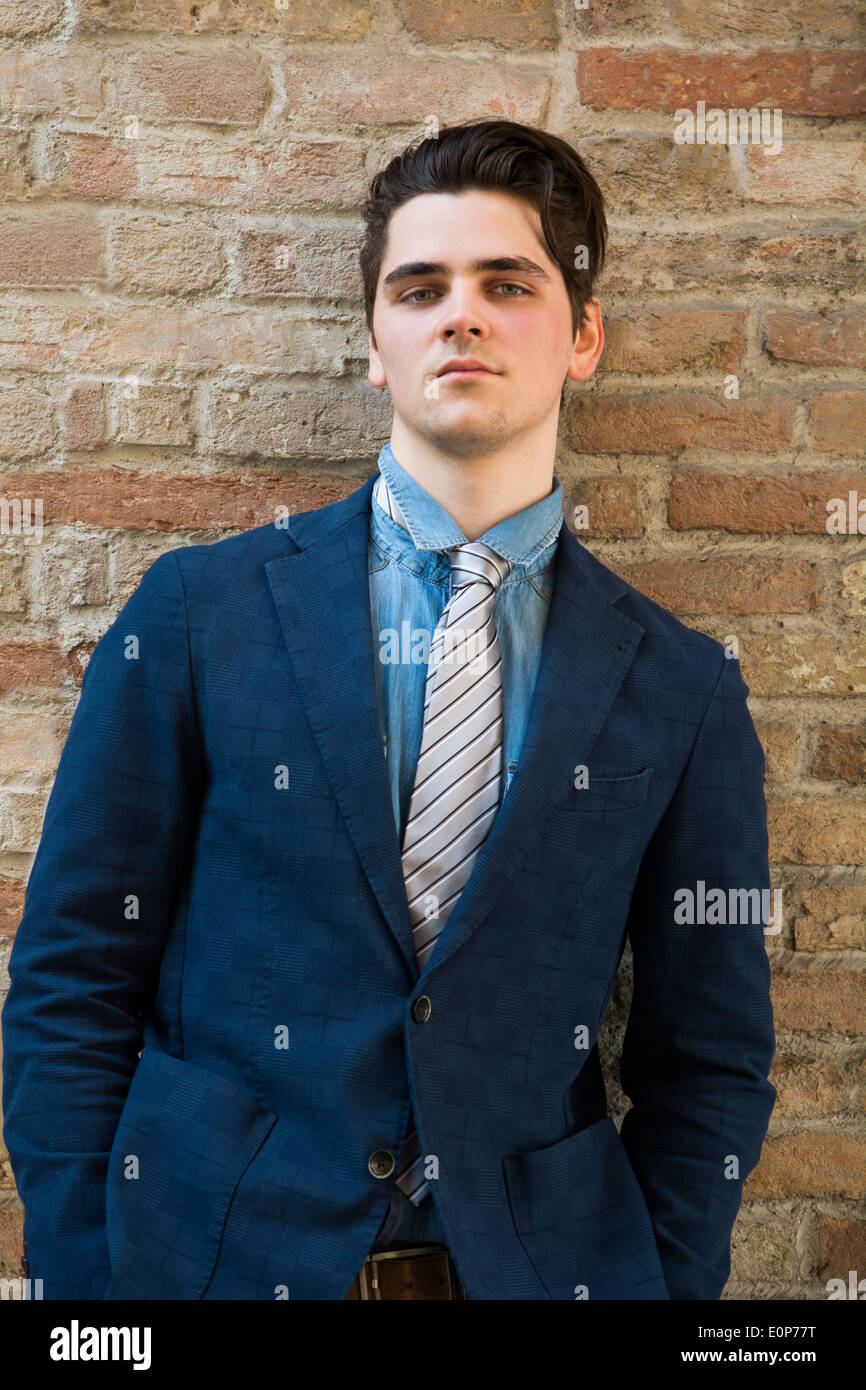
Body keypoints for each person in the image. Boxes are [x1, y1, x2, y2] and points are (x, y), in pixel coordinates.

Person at [1, 119, 776, 1301]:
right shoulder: (202, 612)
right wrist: (87, 1292)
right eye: (419, 288)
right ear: (375, 343)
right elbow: (73, 974)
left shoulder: (679, 685)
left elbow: (709, 1053)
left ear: (581, 334)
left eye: (505, 283)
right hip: (207, 1266)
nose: (458, 314)